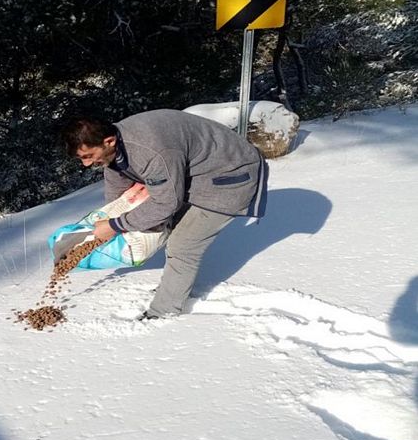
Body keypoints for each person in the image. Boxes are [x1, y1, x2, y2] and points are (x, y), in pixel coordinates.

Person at [60, 109, 268, 319]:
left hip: (231, 176)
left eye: (88, 156)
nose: (86, 164)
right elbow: (118, 186)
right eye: (81, 158)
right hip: (197, 174)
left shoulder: (150, 151)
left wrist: (116, 225)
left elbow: (166, 203)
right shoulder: (116, 144)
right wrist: (110, 217)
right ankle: (173, 290)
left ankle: (163, 313)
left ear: (109, 141)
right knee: (169, 227)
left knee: (183, 245)